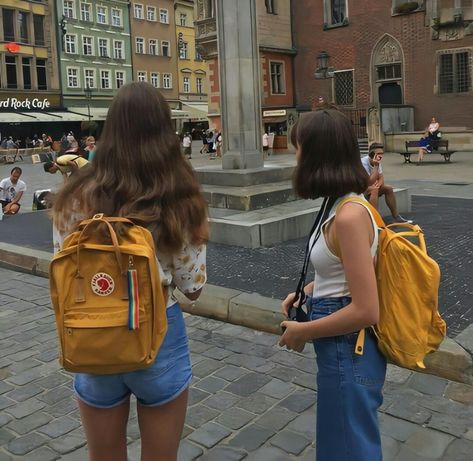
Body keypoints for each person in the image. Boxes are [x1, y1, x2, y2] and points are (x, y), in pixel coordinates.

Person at [49, 82, 208, 461]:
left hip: (92, 331)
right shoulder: (178, 194)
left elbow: (63, 265)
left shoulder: (75, 195)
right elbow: (194, 287)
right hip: (157, 333)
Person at [279, 110, 386, 461]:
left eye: (298, 149)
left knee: (348, 447)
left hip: (347, 347)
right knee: (341, 440)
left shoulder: (350, 215)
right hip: (342, 345)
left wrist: (303, 331)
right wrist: (307, 291)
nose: (294, 157)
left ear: (315, 154)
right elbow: (344, 270)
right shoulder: (340, 203)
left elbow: (366, 308)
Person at [361, 143, 412, 223]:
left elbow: (381, 178)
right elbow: (368, 182)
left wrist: (379, 184)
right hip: (360, 188)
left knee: (388, 188)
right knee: (374, 190)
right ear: (371, 154)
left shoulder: (377, 162)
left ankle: (396, 216)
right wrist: (376, 166)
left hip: (370, 186)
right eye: (378, 154)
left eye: (382, 154)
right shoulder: (363, 162)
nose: (381, 156)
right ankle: (373, 220)